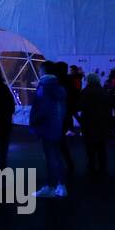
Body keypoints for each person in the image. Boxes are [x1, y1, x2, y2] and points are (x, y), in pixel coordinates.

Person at [30, 66, 68, 198]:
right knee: (56, 157)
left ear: (43, 71)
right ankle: (60, 185)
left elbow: (42, 108)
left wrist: (34, 121)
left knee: (48, 157)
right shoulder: (59, 88)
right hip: (57, 125)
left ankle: (50, 186)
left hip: (46, 127)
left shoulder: (44, 87)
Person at [79, 73, 112, 175]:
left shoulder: (85, 92)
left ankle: (91, 166)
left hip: (88, 122)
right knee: (102, 147)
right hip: (102, 122)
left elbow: (80, 106)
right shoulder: (103, 92)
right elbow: (109, 105)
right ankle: (103, 167)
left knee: (90, 147)